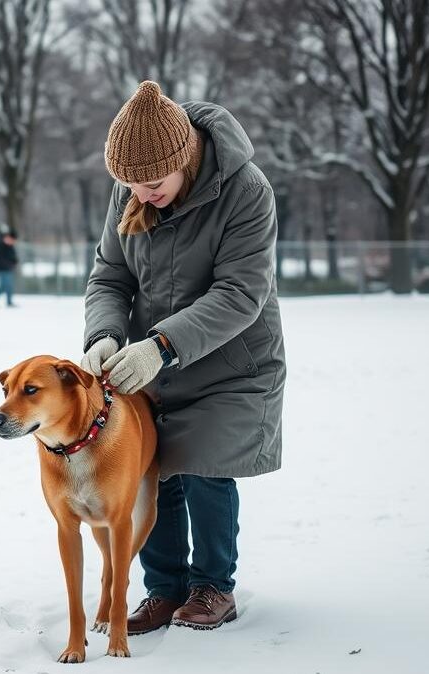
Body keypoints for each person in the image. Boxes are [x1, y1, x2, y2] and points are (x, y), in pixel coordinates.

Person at [80, 81, 286, 634]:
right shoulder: (132, 189)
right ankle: (163, 589)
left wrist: (162, 346)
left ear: (185, 159)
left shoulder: (246, 190)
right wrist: (104, 333)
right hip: (150, 365)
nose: (141, 195)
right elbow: (110, 275)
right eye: (130, 185)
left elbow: (241, 293)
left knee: (203, 467)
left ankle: (213, 586)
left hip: (231, 363)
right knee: (152, 471)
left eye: (152, 183)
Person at [0, 230, 19, 307]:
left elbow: (13, 256)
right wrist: (6, 264)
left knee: (7, 286)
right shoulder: (0, 245)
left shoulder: (10, 246)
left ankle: (7, 301)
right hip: (2, 269)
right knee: (5, 286)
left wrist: (14, 261)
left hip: (9, 269)